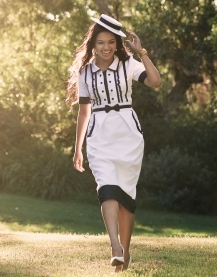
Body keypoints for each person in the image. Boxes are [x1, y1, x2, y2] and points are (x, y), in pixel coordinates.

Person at [66, 14, 161, 272]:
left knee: (126, 198)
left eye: (110, 42)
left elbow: (155, 82)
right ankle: (114, 246)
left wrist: (142, 52)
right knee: (106, 187)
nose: (106, 47)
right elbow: (84, 112)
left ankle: (126, 250)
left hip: (128, 134)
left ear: (116, 43)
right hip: (99, 136)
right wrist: (78, 148)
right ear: (92, 45)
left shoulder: (128, 63)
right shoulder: (85, 72)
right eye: (100, 43)